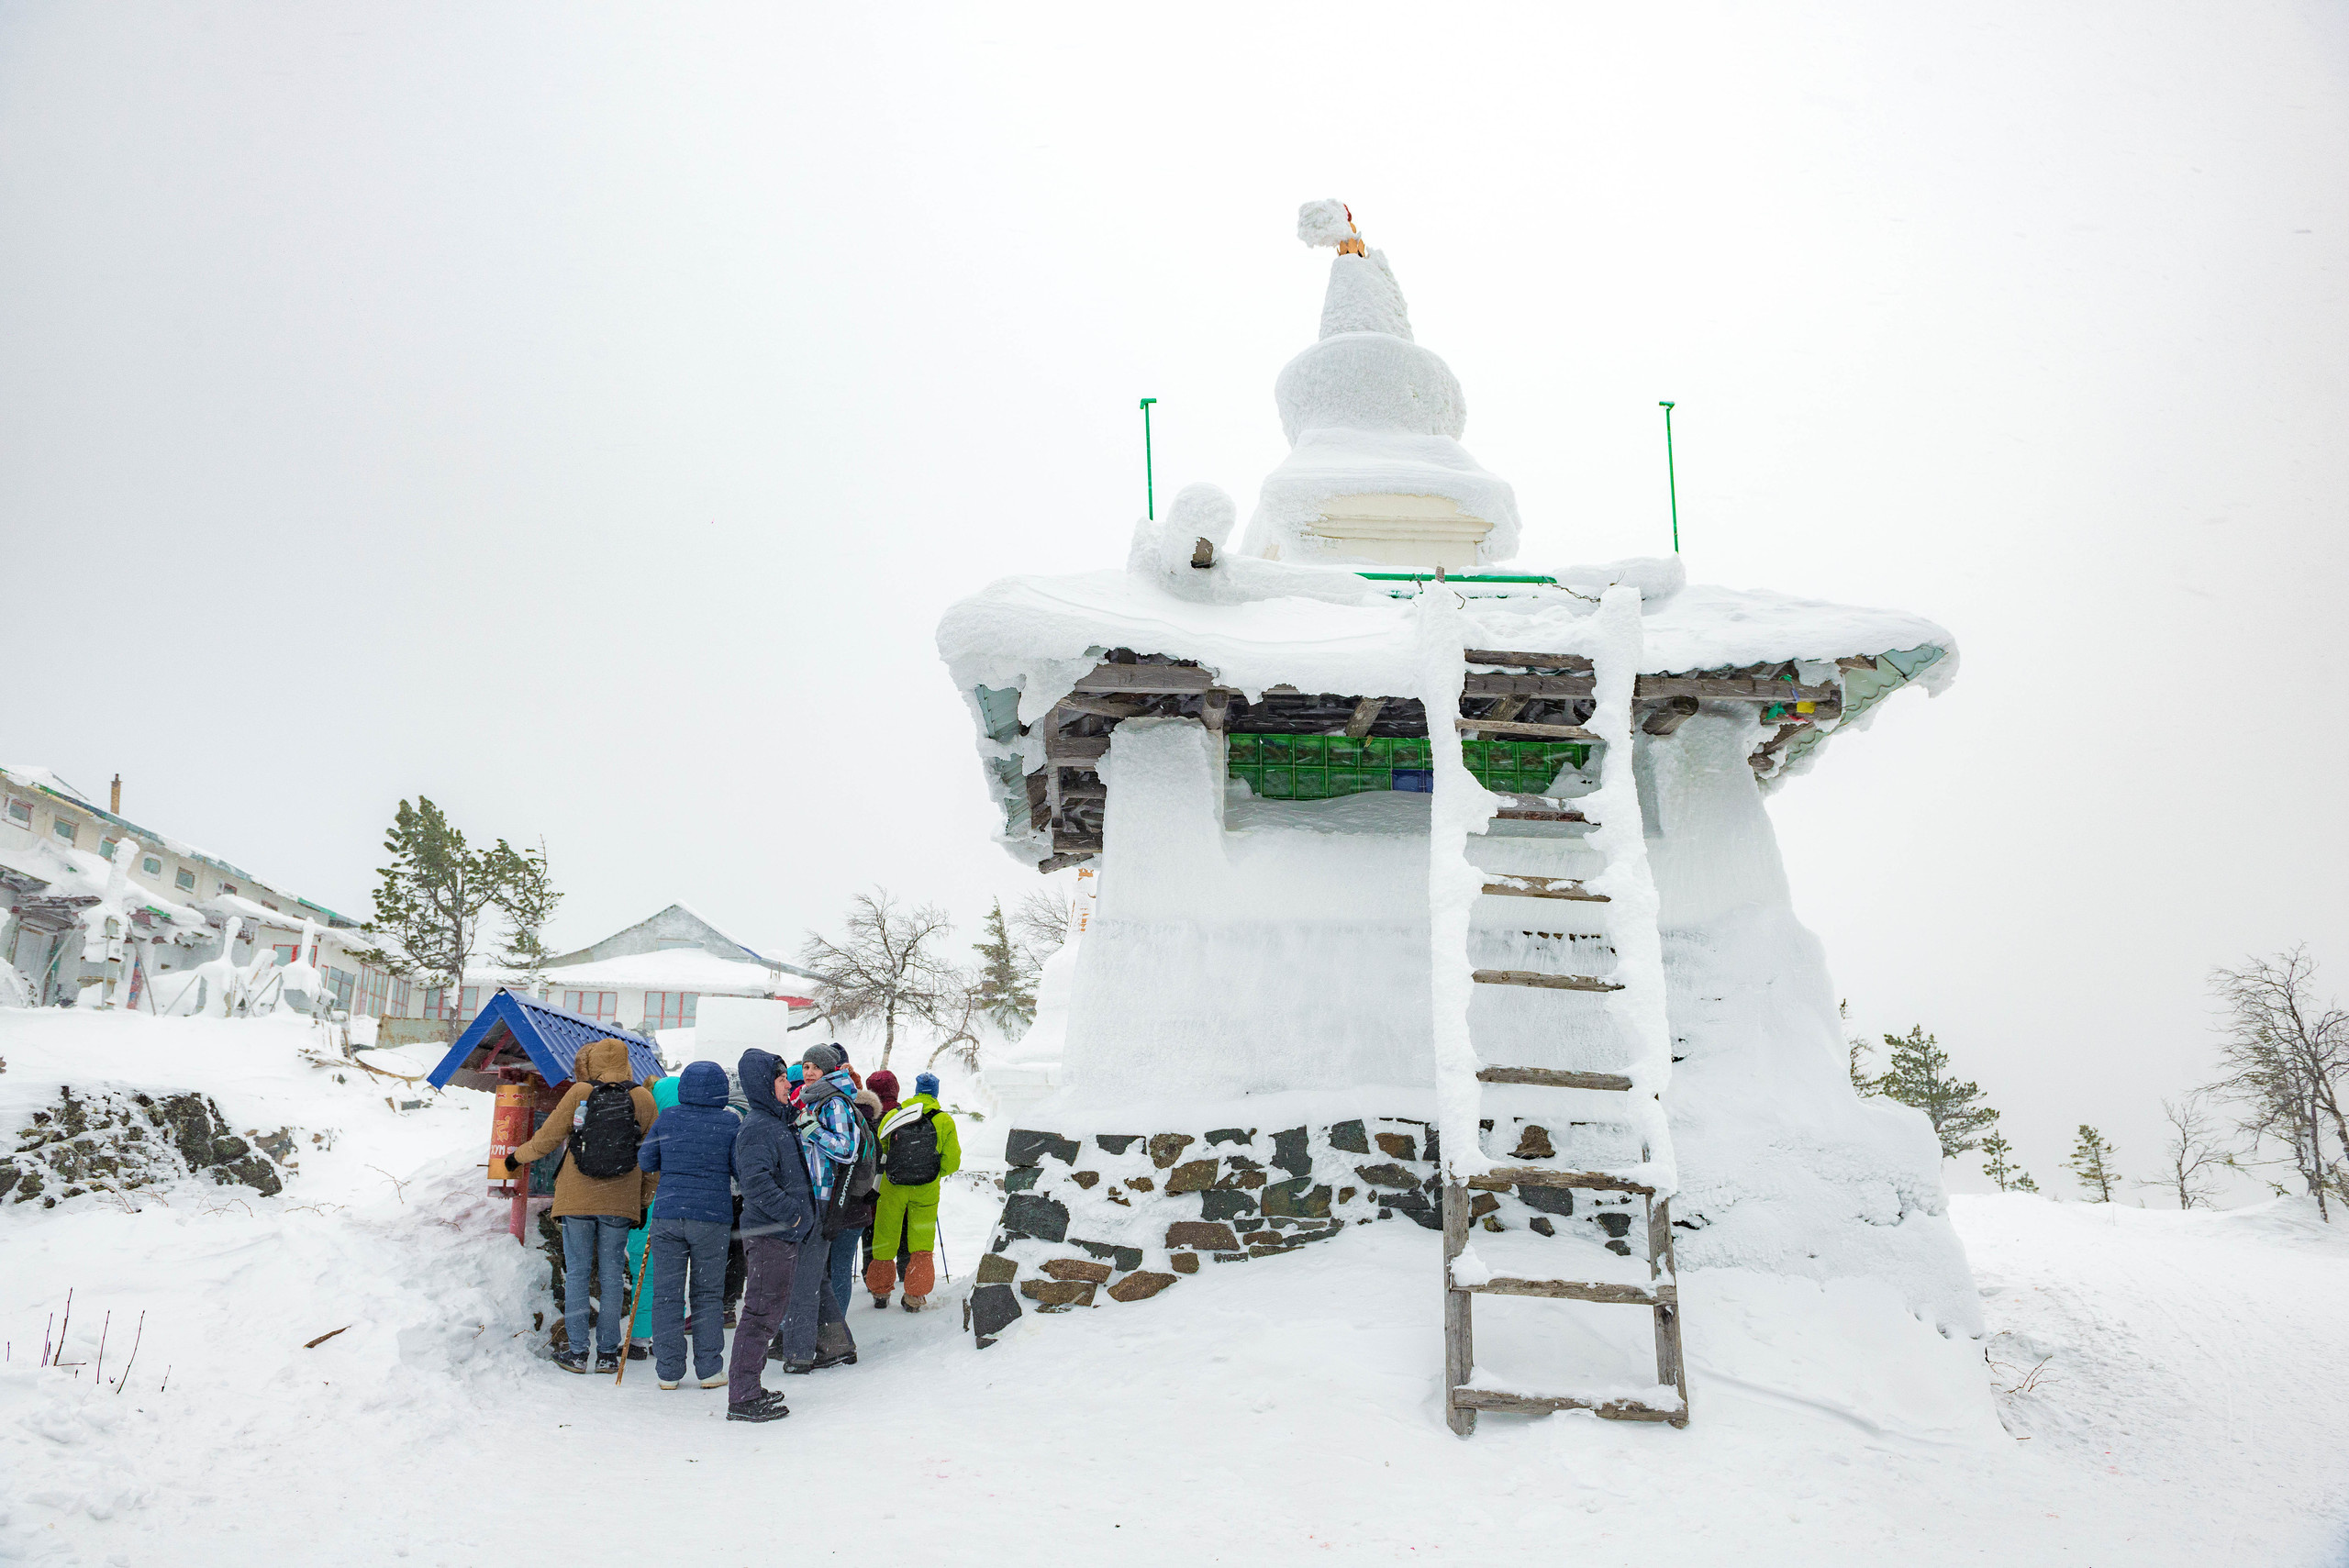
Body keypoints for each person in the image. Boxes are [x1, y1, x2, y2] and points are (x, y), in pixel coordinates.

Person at [499, 1039, 658, 1373]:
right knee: (613, 1275)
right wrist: (643, 1200)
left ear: (594, 1061)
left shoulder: (580, 1093)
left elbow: (548, 1138)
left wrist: (516, 1158)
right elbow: (653, 1157)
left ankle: (576, 1352)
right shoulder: (642, 1098)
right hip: (620, 1200)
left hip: (577, 1197)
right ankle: (607, 1354)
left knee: (578, 1274)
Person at [636, 1061, 739, 1391]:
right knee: (707, 1295)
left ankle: (668, 1372)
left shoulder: (668, 1118)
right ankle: (709, 1370)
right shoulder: (729, 1122)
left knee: (667, 1294)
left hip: (667, 1215)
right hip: (712, 1219)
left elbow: (646, 1160)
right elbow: (739, 1170)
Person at [727, 1049, 815, 1421]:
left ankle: (751, 1386)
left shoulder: (774, 1121)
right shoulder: (758, 1127)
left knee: (769, 1310)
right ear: (765, 1084)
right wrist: (792, 1215)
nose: (787, 1085)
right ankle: (743, 1398)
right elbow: (756, 1182)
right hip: (769, 1234)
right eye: (781, 1079)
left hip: (779, 1234)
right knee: (760, 1313)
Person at [776, 1045, 867, 1373]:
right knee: (815, 1276)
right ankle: (838, 1347)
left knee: (804, 1278)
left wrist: (811, 1129)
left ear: (829, 1070)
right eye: (807, 1065)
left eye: (816, 1066)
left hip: (824, 1198)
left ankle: (799, 1353)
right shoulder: (815, 1099)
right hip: (812, 1196)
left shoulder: (835, 1102)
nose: (810, 1071)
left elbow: (846, 1149)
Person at [865, 1070, 962, 1312]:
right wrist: (931, 1172)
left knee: (885, 1235)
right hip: (926, 1189)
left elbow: (881, 1149)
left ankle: (880, 1290)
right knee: (921, 1241)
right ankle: (914, 1296)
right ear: (935, 1093)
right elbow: (952, 1162)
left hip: (893, 1185)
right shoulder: (944, 1120)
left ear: (916, 1091)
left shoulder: (897, 1115)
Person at [623, 1073, 685, 1360]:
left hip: (646, 1212)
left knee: (643, 1274)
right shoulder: (688, 1133)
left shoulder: (647, 1132)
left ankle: (638, 1339)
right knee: (672, 1275)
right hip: (678, 1214)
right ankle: (667, 1335)